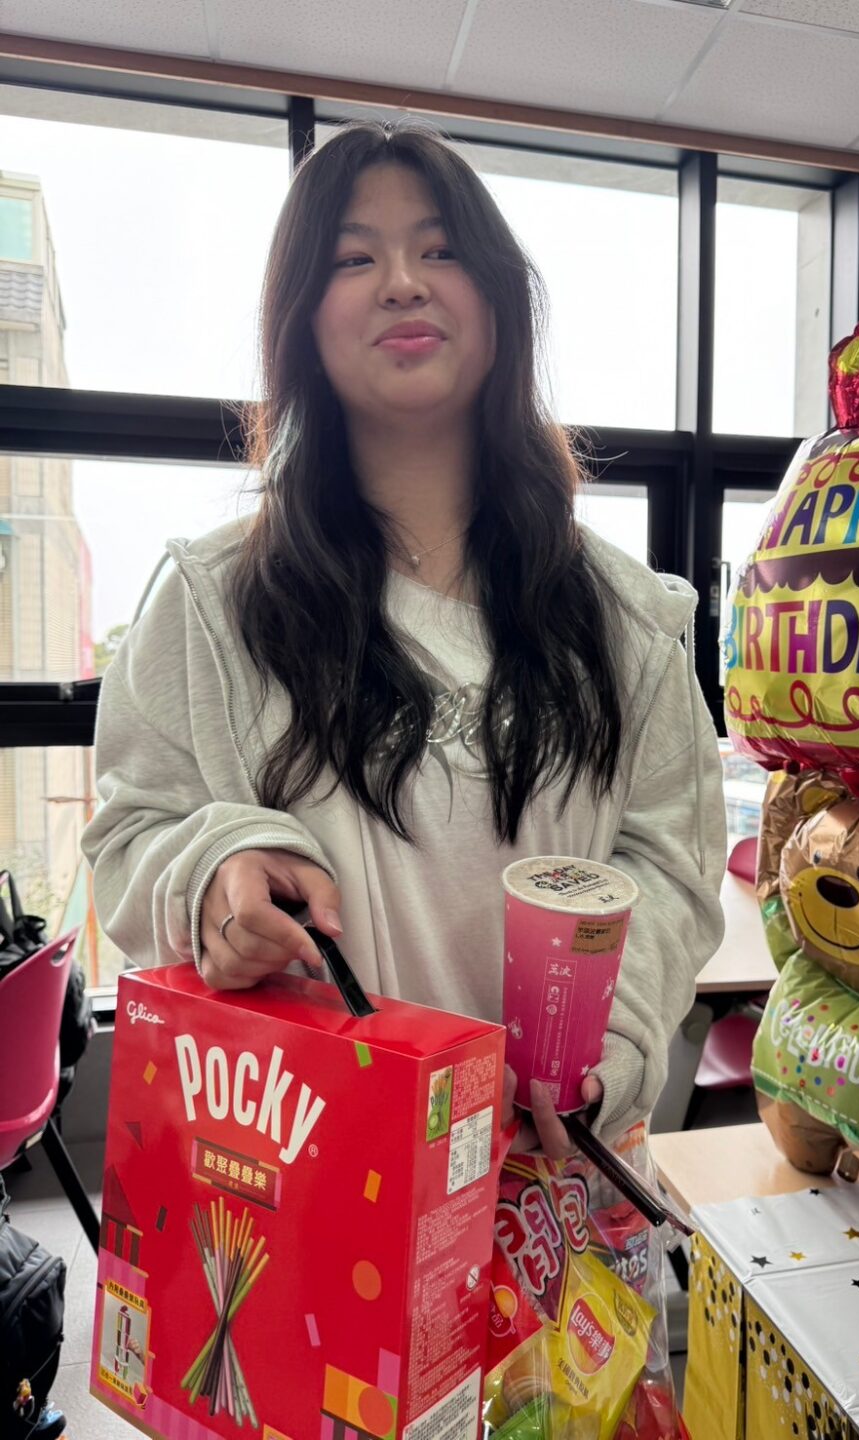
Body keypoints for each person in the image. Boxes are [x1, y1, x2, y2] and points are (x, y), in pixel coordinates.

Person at [83, 121, 726, 1157]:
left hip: (552, 1186)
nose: (402, 283)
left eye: (440, 250)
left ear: (500, 302)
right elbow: (129, 834)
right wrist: (217, 871)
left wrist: (607, 1046)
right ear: (302, 318)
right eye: (353, 259)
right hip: (319, 1184)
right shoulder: (211, 602)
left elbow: (671, 864)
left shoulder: (627, 620)